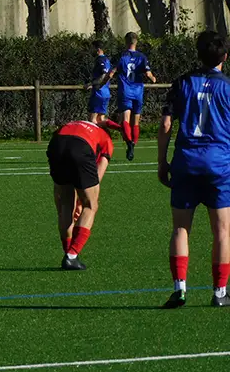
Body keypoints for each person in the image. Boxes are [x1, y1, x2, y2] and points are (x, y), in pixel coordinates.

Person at [158, 31, 230, 308]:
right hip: (219, 165)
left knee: (180, 228)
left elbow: (165, 125)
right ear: (224, 57)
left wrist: (162, 162)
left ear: (198, 54)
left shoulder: (181, 83)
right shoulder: (227, 86)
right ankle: (220, 293)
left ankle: (180, 289)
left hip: (186, 162)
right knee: (222, 231)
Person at [47, 120, 116, 270]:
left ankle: (67, 252)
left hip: (56, 144)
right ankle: (72, 256)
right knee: (91, 205)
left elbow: (56, 137)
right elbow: (98, 176)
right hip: (80, 148)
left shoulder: (75, 123)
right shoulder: (106, 138)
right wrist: (84, 199)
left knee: (65, 203)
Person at [110, 32, 157, 161]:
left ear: (126, 42)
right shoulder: (142, 57)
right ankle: (133, 145)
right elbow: (148, 74)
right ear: (136, 42)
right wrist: (153, 78)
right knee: (135, 121)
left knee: (125, 119)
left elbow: (111, 73)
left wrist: (101, 83)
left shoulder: (121, 56)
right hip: (138, 92)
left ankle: (129, 143)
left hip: (125, 91)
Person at [86, 41, 112, 123]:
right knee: (100, 119)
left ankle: (120, 128)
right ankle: (110, 133)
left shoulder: (100, 60)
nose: (91, 51)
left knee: (92, 120)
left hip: (99, 93)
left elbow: (103, 76)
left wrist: (92, 84)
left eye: (92, 49)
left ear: (98, 49)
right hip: (106, 92)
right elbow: (109, 76)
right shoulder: (107, 60)